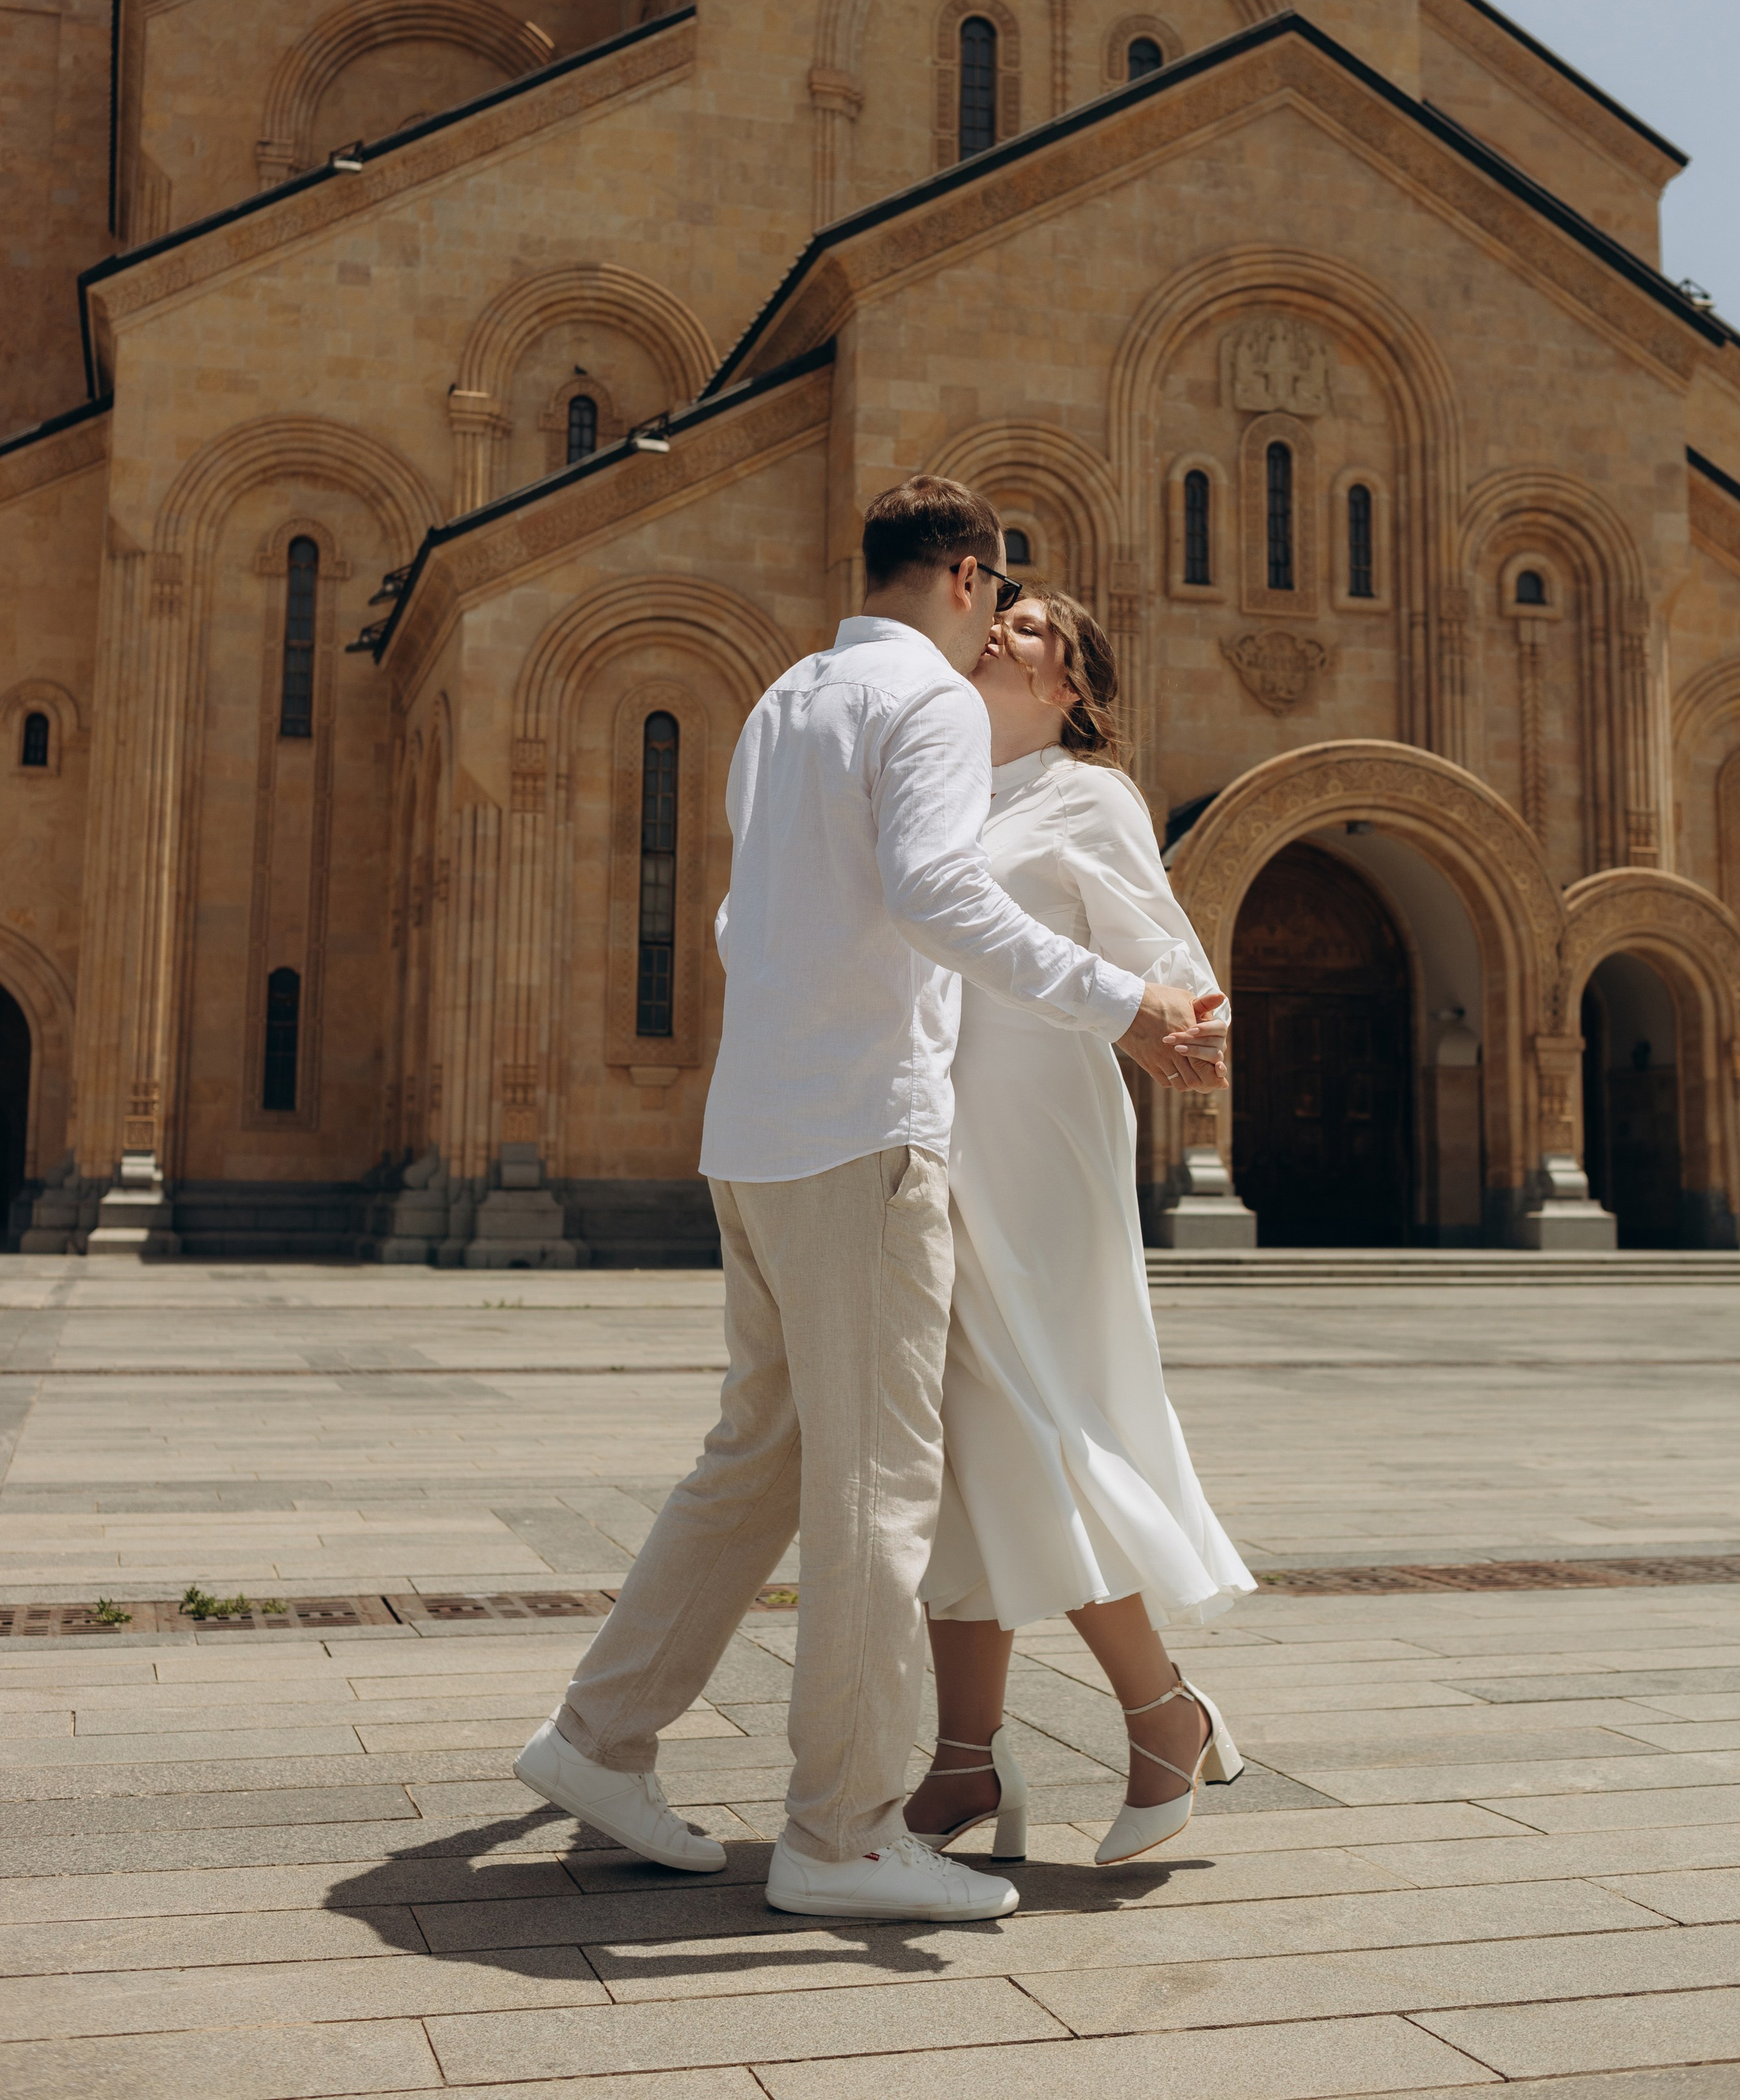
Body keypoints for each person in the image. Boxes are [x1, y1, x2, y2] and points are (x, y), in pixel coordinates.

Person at [515, 476, 1225, 1925]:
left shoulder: (787, 698)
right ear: (965, 576)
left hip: (788, 1132)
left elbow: (741, 915)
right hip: (871, 1136)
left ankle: (620, 1741)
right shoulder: (933, 711)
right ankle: (840, 1828)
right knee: (876, 1488)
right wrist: (1119, 1003)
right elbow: (932, 898)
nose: (1003, 633)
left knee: (776, 1460)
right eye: (1002, 598)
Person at [903, 584, 1254, 1870]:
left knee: (1038, 1414)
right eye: (1000, 609)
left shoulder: (1085, 793)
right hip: (936, 1135)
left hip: (1041, 1134)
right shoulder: (939, 788)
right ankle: (959, 1763)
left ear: (1073, 687)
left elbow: (1167, 959)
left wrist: (1196, 1035)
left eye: (1035, 625)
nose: (1002, 626)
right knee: (955, 1436)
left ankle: (1161, 1713)